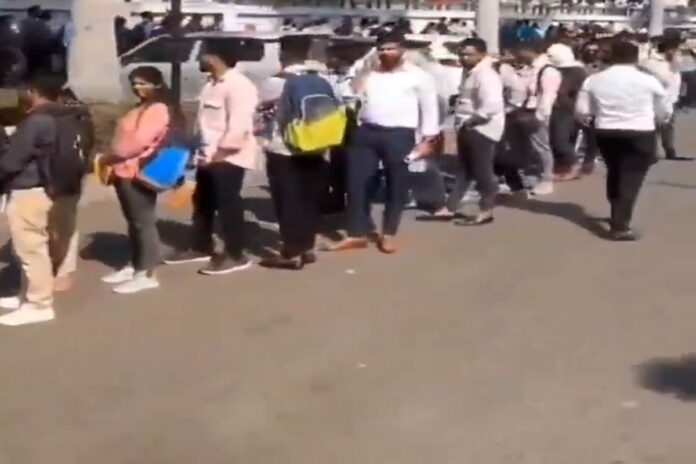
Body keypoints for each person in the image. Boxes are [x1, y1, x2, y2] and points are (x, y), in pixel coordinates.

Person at [329, 31, 439, 253]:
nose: (386, 53)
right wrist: (362, 73)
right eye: (382, 49)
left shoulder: (418, 76)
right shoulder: (370, 72)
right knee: (356, 182)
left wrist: (427, 139)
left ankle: (388, 233)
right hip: (366, 132)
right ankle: (357, 232)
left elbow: (429, 108)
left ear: (402, 50)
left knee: (396, 184)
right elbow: (348, 95)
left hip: (400, 135)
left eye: (391, 49)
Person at [164, 40, 258, 275]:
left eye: (204, 54)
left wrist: (221, 154)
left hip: (228, 157)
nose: (200, 58)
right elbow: (203, 123)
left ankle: (235, 254)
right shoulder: (210, 85)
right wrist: (195, 151)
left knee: (228, 205)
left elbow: (239, 125)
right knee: (202, 202)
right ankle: (200, 246)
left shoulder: (239, 85)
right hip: (206, 155)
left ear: (216, 57)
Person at [0, 75, 86, 325]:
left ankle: (39, 304)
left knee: (30, 249)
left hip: (29, 190)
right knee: (39, 245)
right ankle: (27, 295)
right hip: (55, 188)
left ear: (32, 91)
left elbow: (12, 161)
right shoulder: (68, 116)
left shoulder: (36, 121)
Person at [576, 40, 671, 241]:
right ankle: (620, 225)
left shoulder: (594, 79)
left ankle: (616, 210)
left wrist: (592, 117)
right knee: (631, 177)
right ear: (635, 58)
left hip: (606, 130)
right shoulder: (647, 80)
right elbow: (663, 107)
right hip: (640, 130)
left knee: (615, 170)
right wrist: (660, 120)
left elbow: (582, 110)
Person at [99, 66, 180, 294]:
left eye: (143, 83)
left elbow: (137, 141)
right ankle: (135, 264)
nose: (137, 87)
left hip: (136, 170)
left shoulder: (157, 108)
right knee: (134, 221)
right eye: (134, 83)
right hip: (123, 169)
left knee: (143, 222)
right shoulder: (141, 107)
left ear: (157, 84)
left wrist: (111, 156)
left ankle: (146, 273)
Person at [257, 53, 335, 270]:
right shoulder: (322, 79)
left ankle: (292, 252)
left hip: (284, 148)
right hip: (316, 145)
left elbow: (259, 106)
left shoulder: (274, 82)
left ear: (282, 56)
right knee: (309, 199)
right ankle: (307, 247)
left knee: (288, 201)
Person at [449, 37, 505, 226]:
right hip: (467, 126)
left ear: (482, 54)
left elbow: (492, 105)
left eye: (469, 54)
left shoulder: (486, 75)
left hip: (480, 128)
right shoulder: (469, 72)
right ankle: (451, 206)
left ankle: (486, 211)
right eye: (461, 54)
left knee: (482, 172)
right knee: (465, 170)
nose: (464, 58)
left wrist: (472, 121)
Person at [515, 41, 562, 196]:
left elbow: (548, 96)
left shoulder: (547, 71)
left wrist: (540, 116)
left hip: (537, 113)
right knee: (532, 147)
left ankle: (547, 179)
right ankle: (533, 177)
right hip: (528, 111)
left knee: (542, 147)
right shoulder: (532, 68)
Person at [547, 43, 587, 180]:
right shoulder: (558, 70)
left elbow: (575, 91)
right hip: (557, 108)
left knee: (560, 140)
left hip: (566, 109)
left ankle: (574, 165)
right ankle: (562, 165)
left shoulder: (576, 72)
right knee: (555, 139)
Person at [641, 37, 683, 160]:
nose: (675, 53)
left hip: (671, 97)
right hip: (656, 97)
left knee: (668, 125)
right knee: (654, 124)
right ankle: (654, 152)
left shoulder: (673, 62)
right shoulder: (653, 63)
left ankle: (669, 149)